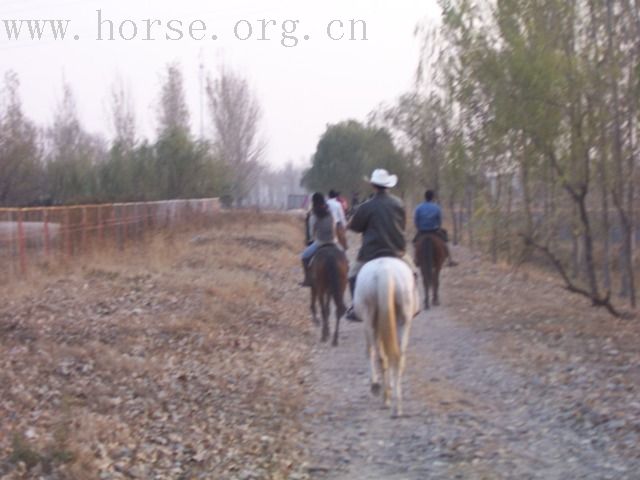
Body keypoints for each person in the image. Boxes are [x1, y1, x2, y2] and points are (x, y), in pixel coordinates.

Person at [345, 168, 417, 321]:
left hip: (370, 252)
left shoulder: (365, 206)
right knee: (413, 272)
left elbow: (356, 228)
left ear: (373, 186)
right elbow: (402, 225)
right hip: (396, 251)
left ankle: (355, 307)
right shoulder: (399, 204)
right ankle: (412, 304)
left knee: (352, 274)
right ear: (388, 185)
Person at [300, 192, 340, 287]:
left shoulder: (313, 214)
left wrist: (310, 240)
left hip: (320, 243)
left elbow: (311, 232)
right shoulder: (330, 212)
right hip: (333, 242)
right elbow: (334, 227)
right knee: (344, 258)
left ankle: (307, 279)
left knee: (304, 257)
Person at [413, 189, 457, 266]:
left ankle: (416, 259)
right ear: (433, 197)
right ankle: (450, 259)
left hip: (422, 231)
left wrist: (419, 228)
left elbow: (416, 220)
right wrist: (438, 227)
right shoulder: (437, 207)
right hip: (434, 230)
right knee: (444, 241)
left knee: (414, 242)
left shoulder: (418, 207)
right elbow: (439, 221)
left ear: (425, 197)